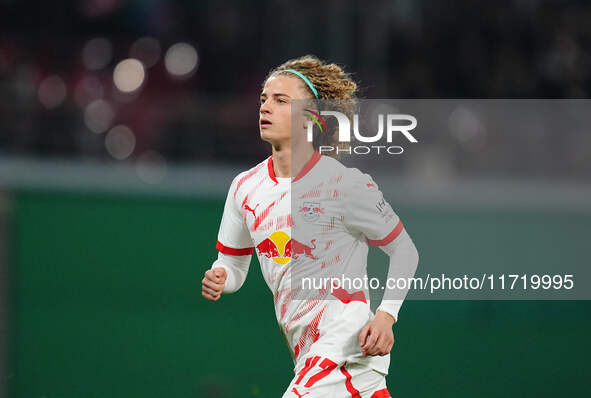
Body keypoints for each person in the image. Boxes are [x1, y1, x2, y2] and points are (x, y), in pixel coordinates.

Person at [202, 55, 418, 397]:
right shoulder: (245, 187)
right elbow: (232, 263)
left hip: (348, 342)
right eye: (263, 100)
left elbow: (404, 250)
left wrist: (386, 315)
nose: (265, 108)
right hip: (306, 351)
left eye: (281, 100)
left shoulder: (344, 184)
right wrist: (221, 276)